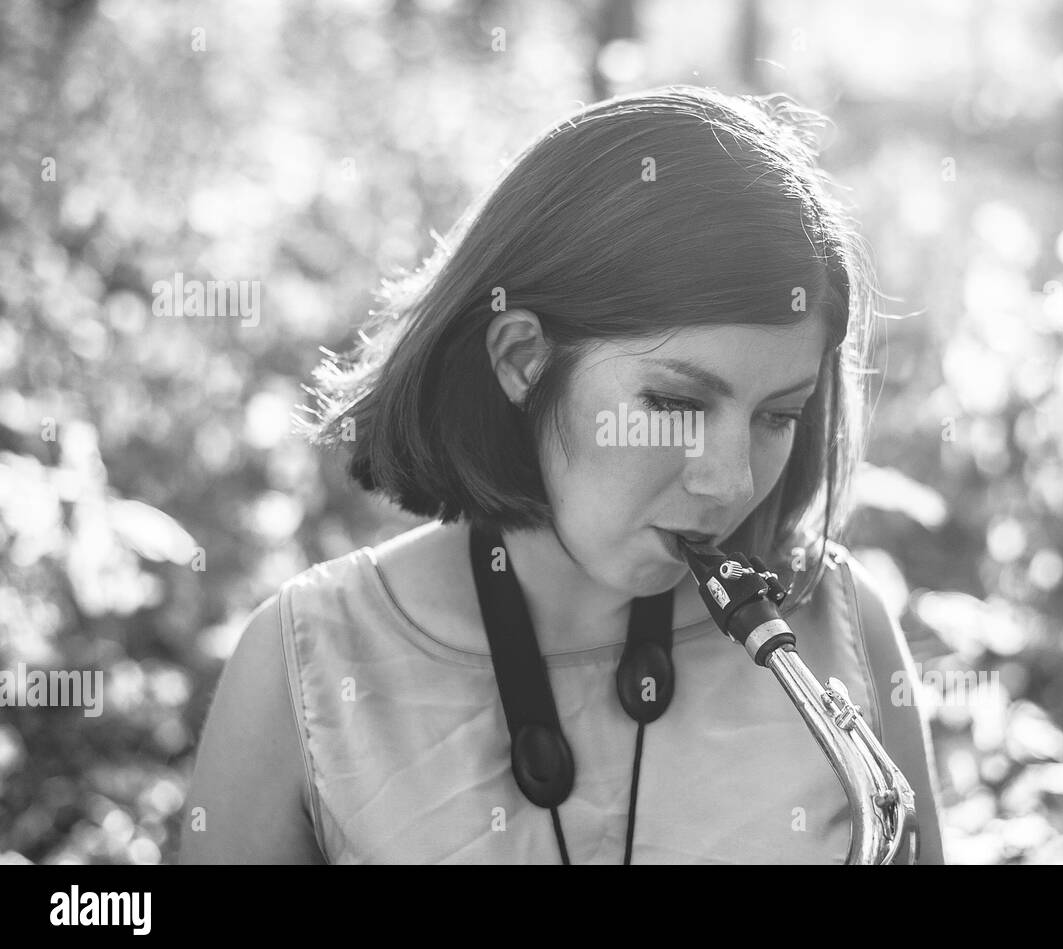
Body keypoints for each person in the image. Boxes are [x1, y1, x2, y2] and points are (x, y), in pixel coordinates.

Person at [181, 85, 945, 865]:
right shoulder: (302, 665)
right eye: (677, 402)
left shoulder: (847, 633)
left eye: (778, 414)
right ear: (521, 357)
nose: (732, 483)